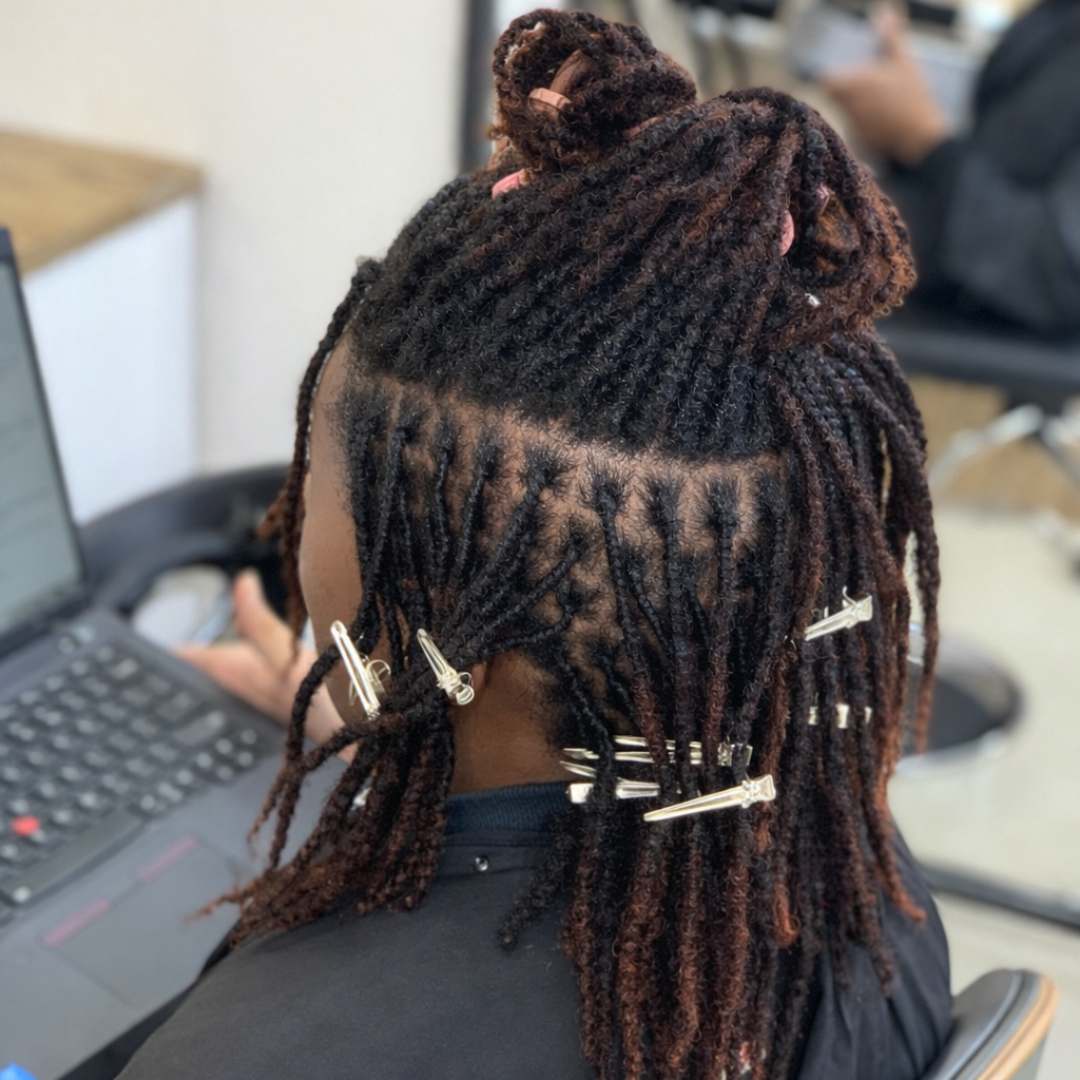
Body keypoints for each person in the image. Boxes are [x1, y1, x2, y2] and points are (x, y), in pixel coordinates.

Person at [120, 10, 950, 1079]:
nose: (293, 518)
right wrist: (396, 729)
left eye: (318, 475)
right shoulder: (864, 879)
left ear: (451, 610)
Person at [825, 0, 1080, 336]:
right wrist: (894, 128)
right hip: (927, 248)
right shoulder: (1057, 19)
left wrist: (924, 142)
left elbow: (1056, 269)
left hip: (981, 308)